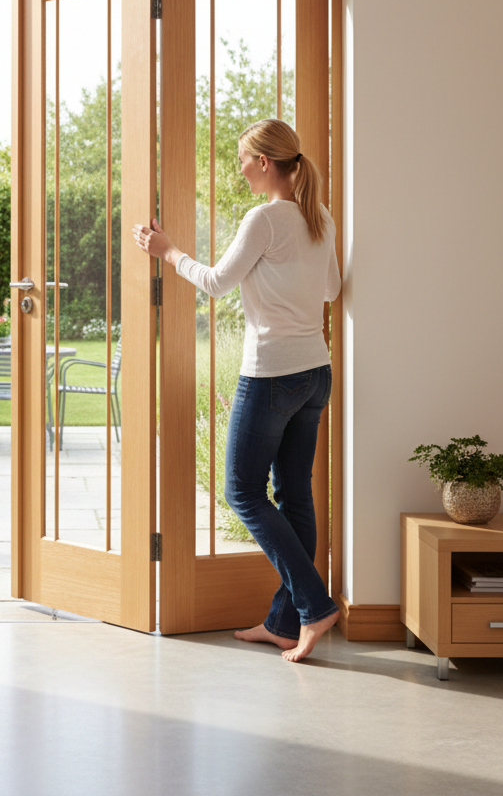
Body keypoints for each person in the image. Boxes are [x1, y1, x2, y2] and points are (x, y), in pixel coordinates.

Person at [132, 118, 341, 663]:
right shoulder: (320, 217)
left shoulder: (264, 219)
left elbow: (217, 283)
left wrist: (167, 250)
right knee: (295, 492)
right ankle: (283, 621)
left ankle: (315, 607)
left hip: (272, 373)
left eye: (245, 158)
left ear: (265, 163)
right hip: (316, 372)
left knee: (242, 491)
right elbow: (332, 288)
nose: (240, 167)